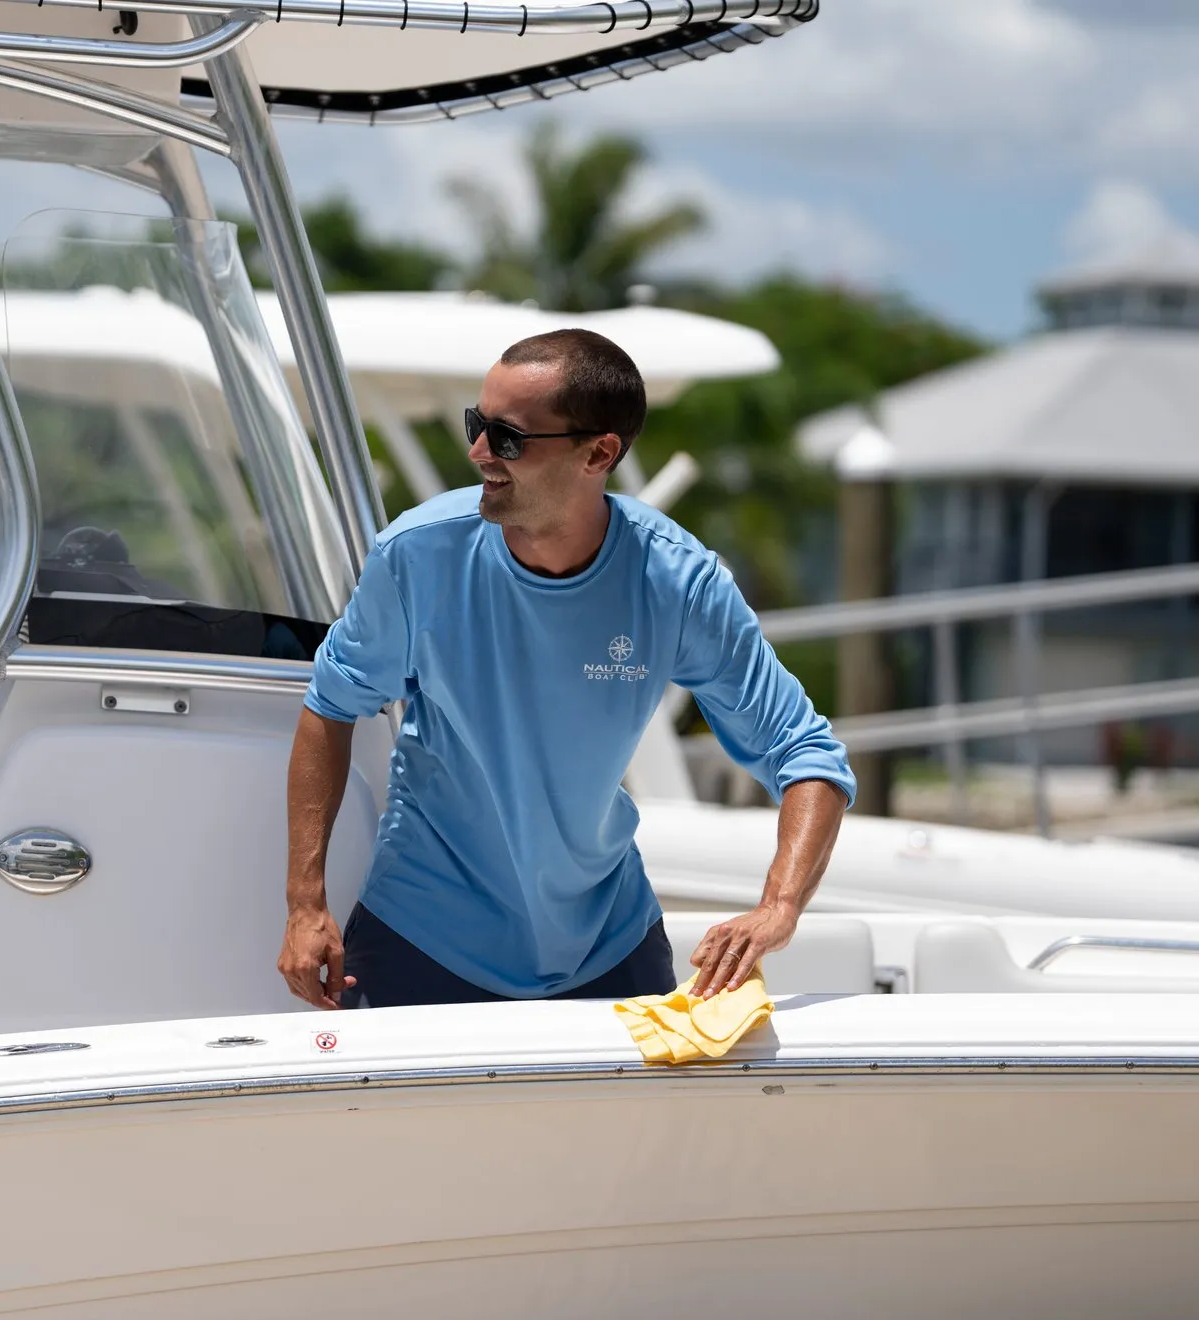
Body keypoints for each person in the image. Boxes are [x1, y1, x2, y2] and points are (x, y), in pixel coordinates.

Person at [279, 328, 854, 1011]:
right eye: (476, 424)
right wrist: (305, 903)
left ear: (599, 453)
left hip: (608, 941)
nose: (478, 451)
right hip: (425, 933)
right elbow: (330, 705)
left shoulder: (678, 581)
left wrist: (780, 907)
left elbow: (805, 752)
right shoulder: (417, 554)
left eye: (507, 437)